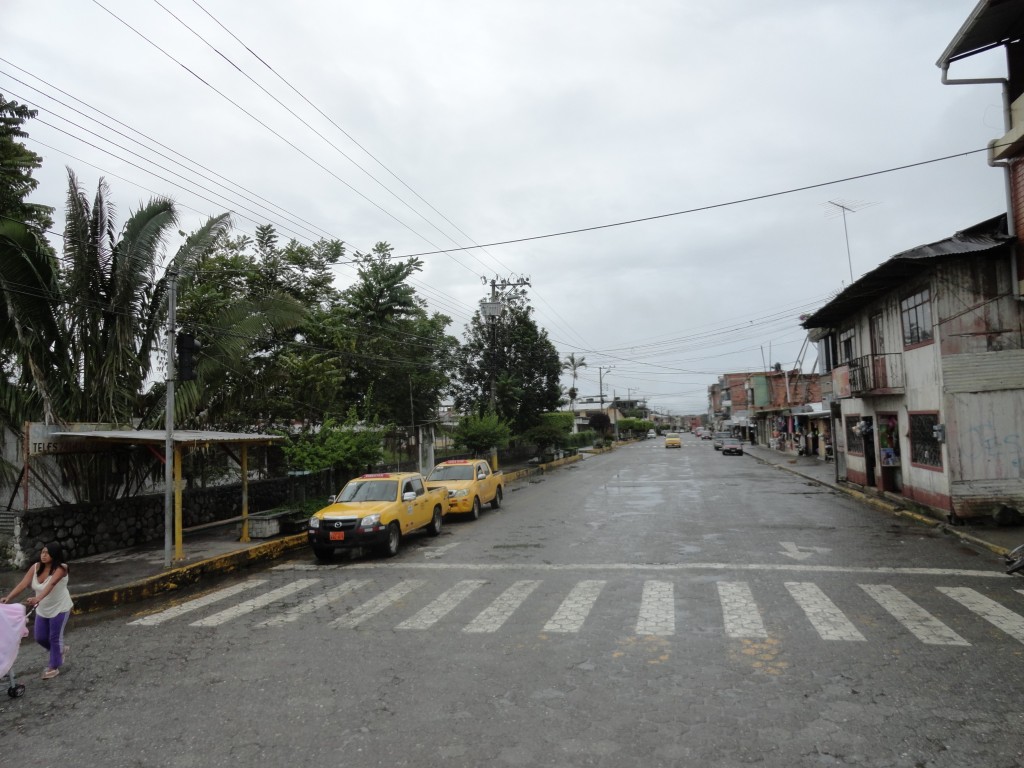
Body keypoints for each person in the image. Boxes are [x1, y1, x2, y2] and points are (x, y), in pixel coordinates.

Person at [1, 542, 73, 679]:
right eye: (42, 552)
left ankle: (54, 666)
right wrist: (8, 597)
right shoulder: (35, 567)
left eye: (47, 553)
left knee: (54, 637)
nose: (43, 555)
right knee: (40, 637)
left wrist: (37, 598)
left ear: (54, 554)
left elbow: (51, 584)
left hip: (60, 608)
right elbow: (23, 584)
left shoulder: (62, 568)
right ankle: (59, 651)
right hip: (42, 609)